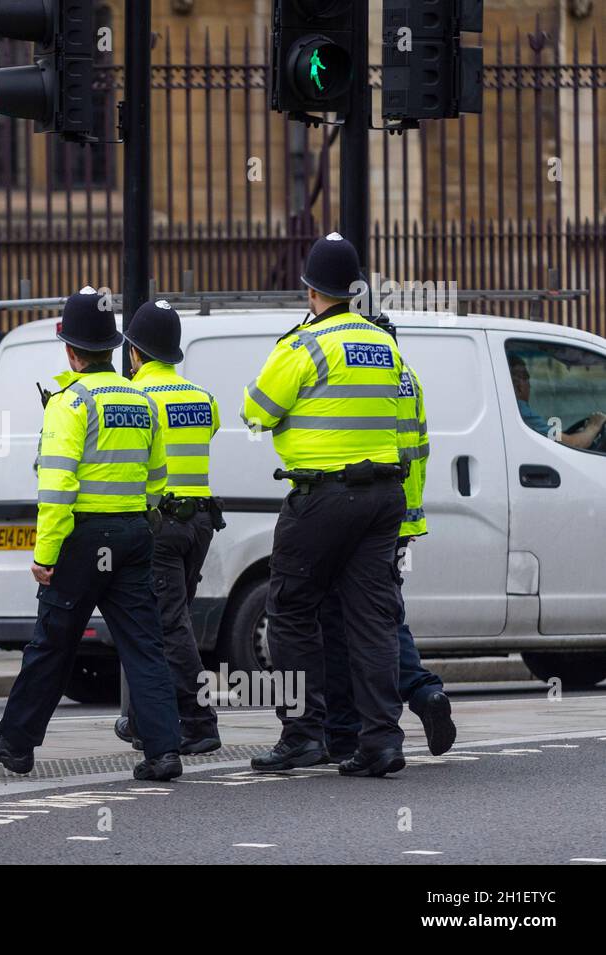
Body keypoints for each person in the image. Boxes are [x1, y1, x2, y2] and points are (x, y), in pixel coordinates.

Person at [0, 288, 184, 782]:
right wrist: (135, 517)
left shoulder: (70, 402)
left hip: (84, 538)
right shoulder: (141, 398)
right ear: (112, 347)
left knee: (52, 642)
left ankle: (16, 743)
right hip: (133, 532)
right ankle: (164, 750)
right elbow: (157, 478)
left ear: (68, 347)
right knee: (144, 644)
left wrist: (45, 555)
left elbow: (58, 486)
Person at [240, 233, 410, 778]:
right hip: (384, 496)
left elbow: (256, 411)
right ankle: (380, 740)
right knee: (372, 621)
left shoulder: (304, 345)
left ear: (311, 289)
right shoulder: (384, 345)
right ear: (355, 287)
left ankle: (301, 735)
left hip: (322, 498)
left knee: (289, 612)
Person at [323, 346, 456, 759]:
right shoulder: (408, 379)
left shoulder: (361, 377)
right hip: (400, 514)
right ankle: (417, 696)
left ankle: (374, 716)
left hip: (362, 510)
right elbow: (418, 449)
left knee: (355, 621)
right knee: (382, 615)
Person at [113, 300, 223, 756]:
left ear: (135, 353)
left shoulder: (138, 399)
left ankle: (200, 721)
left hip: (160, 525)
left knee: (166, 625)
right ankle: (142, 721)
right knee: (163, 624)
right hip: (199, 523)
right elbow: (210, 431)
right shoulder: (202, 398)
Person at [509, 354, 606, 449]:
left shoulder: (513, 410)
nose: (530, 385)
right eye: (527, 378)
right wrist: (594, 426)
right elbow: (573, 444)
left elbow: (557, 439)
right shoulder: (521, 412)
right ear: (519, 386)